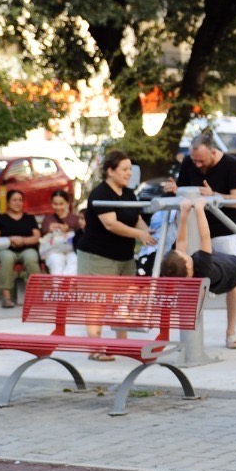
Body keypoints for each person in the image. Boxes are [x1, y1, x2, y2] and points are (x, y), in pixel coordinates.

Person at [166, 133, 236, 348]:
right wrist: (177, 192)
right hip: (196, 230)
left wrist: (214, 195)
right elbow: (185, 192)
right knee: (188, 277)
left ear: (213, 152)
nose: (197, 164)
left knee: (234, 277)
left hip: (225, 230)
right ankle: (191, 334)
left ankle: (231, 332)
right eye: (194, 160)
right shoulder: (189, 162)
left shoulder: (232, 165)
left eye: (201, 160)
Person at [77, 150, 155, 357]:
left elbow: (136, 218)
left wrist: (146, 231)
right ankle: (95, 348)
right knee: (97, 303)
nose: (129, 173)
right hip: (97, 257)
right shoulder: (100, 194)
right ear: (110, 171)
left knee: (123, 303)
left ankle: (121, 345)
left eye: (130, 169)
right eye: (124, 169)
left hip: (124, 258)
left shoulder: (129, 194)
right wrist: (140, 234)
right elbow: (111, 224)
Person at [0, 189, 42, 309]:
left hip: (26, 249)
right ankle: (6, 297)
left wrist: (22, 240)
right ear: (8, 202)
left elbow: (36, 236)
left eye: (20, 200)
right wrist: (10, 239)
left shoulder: (29, 218)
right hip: (6, 249)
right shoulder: (0, 219)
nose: (17, 203)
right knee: (7, 258)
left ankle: (35, 295)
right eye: (14, 200)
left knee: (31, 257)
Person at [39, 190, 83, 276]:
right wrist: (49, 230)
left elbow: (81, 234)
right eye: (55, 204)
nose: (58, 207)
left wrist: (69, 230)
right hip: (54, 251)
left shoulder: (75, 219)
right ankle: (58, 288)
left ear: (67, 203)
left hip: (72, 250)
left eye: (61, 204)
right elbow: (42, 238)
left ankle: (68, 288)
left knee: (74, 262)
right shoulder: (47, 220)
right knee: (56, 262)